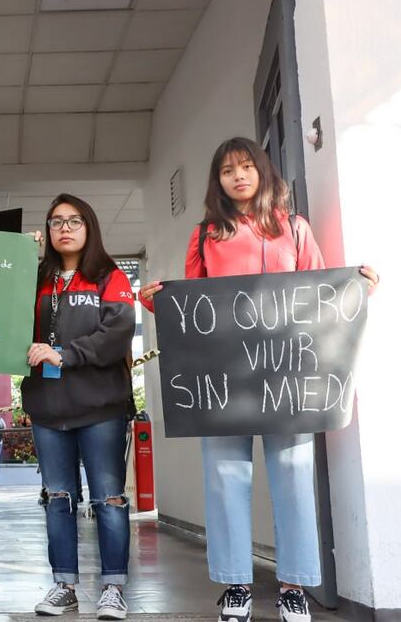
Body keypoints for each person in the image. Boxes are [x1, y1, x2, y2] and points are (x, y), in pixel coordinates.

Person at [138, 137, 379, 622]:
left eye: (246, 166)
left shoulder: (295, 228)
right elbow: (194, 308)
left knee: (293, 479)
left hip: (286, 377)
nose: (239, 176)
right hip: (223, 379)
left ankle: (293, 586)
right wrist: (158, 302)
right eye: (228, 170)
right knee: (224, 479)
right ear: (218, 181)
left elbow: (318, 292)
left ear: (263, 171)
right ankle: (236, 586)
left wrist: (356, 289)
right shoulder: (205, 235)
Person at [20, 194, 136, 621]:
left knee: (109, 499)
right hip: (48, 409)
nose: (64, 228)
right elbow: (5, 322)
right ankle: (64, 586)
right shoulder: (35, 279)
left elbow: (118, 331)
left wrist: (66, 354)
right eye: (56, 222)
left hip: (101, 408)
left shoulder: (109, 276)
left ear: (89, 227)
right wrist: (18, 260)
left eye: (74, 220)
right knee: (58, 498)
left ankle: (113, 588)